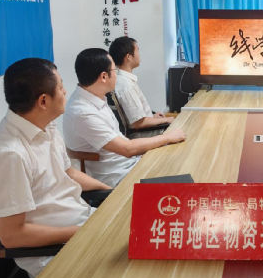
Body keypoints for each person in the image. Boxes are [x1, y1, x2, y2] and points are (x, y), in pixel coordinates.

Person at [0, 58, 111, 278]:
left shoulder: (45, 125)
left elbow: (69, 174)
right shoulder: (8, 155)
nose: (65, 91)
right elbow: (12, 235)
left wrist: (111, 194)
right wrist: (83, 232)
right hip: (54, 254)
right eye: (61, 87)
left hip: (81, 223)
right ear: (43, 101)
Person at [63, 48, 186, 188]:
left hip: (129, 163)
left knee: (180, 158)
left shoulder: (96, 98)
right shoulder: (83, 112)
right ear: (103, 76)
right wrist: (168, 137)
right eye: (114, 70)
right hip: (119, 176)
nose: (117, 74)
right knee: (181, 171)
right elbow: (126, 149)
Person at [109, 37, 173, 138]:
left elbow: (135, 118)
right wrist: (166, 120)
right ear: (128, 57)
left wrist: (152, 117)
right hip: (145, 135)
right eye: (137, 51)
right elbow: (139, 123)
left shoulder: (122, 79)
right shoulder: (126, 85)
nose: (139, 55)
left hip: (146, 128)